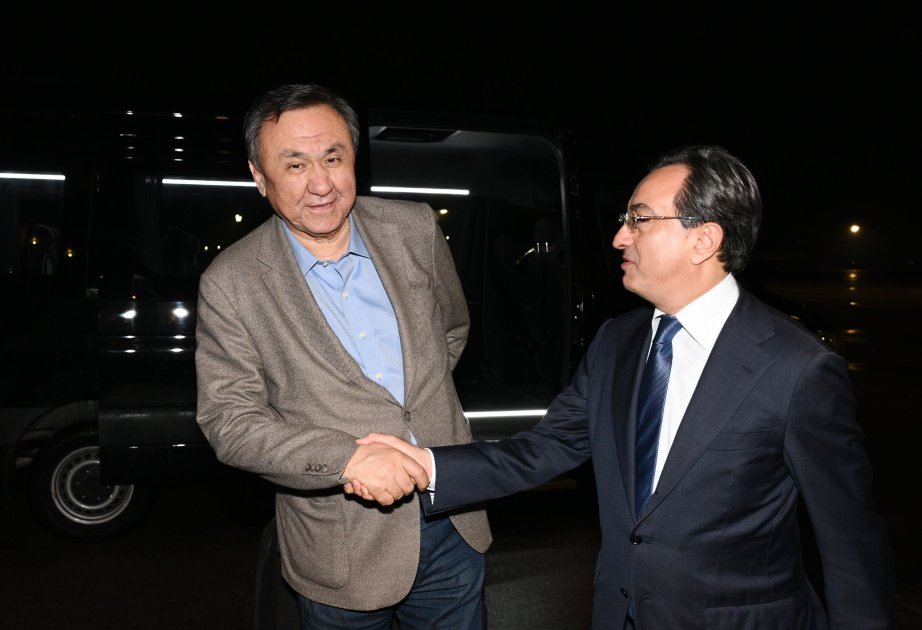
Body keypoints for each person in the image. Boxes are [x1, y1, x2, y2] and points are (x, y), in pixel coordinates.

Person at [347, 145, 896, 629]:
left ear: (704, 239)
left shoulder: (798, 367)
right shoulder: (616, 341)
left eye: (639, 219)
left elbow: (850, 543)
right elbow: (546, 448)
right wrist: (427, 465)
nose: (618, 237)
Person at [194, 83, 492, 629]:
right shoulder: (232, 282)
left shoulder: (415, 229)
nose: (321, 184)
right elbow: (229, 422)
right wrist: (347, 458)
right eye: (295, 165)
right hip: (341, 547)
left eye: (334, 158)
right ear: (259, 177)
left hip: (454, 519)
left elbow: (451, 332)